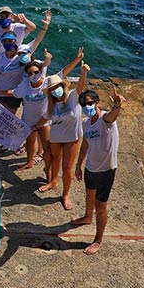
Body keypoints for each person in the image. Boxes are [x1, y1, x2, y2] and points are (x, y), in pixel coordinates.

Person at [70, 87, 125, 255]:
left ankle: (98, 240)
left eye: (89, 103)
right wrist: (79, 165)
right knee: (89, 195)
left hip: (106, 170)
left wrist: (117, 105)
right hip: (90, 167)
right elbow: (85, 144)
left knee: (101, 206)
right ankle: (87, 217)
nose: (87, 106)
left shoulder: (105, 119)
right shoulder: (86, 123)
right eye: (83, 104)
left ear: (96, 102)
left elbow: (112, 116)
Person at [31, 49, 88, 211]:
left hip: (72, 137)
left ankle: (65, 194)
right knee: (55, 159)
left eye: (58, 86)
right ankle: (53, 181)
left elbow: (80, 86)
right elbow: (44, 118)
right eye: (53, 88)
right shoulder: (51, 105)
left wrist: (83, 73)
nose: (56, 89)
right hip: (56, 137)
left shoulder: (72, 97)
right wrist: (34, 127)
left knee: (67, 168)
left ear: (63, 86)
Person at [0, 51, 56, 176]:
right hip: (28, 120)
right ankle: (29, 161)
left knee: (47, 147)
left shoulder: (47, 83)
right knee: (30, 142)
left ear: (40, 72)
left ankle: (49, 172)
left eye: (36, 72)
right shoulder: (24, 85)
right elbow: (12, 93)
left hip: (44, 120)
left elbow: (57, 71)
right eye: (30, 73)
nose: (33, 75)